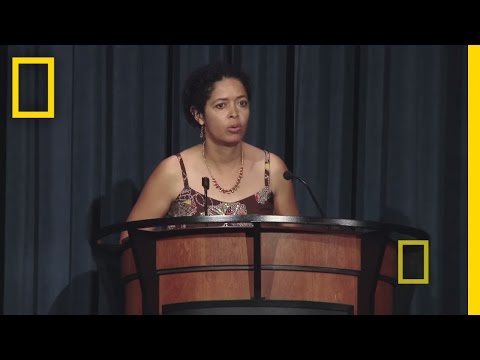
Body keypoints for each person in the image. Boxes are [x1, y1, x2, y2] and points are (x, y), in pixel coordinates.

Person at [120, 62, 299, 241]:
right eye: (221, 106)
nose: (234, 113)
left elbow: (295, 244)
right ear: (198, 115)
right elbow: (129, 241)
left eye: (242, 103)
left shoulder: (273, 169)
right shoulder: (173, 171)